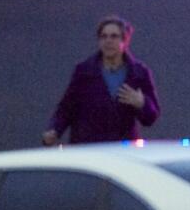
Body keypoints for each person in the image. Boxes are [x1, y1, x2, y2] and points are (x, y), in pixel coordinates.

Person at [42, 15, 160, 145]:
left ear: (125, 41)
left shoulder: (139, 73)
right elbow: (66, 108)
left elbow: (151, 118)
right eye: (104, 36)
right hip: (88, 148)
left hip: (123, 151)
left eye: (114, 36)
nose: (108, 41)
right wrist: (54, 130)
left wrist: (142, 104)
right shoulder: (84, 71)